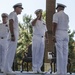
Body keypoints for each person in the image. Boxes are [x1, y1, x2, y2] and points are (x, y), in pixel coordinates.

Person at [4, 3, 23, 73]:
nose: (21, 10)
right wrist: (12, 35)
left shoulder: (14, 15)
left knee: (11, 53)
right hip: (13, 35)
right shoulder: (12, 14)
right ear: (17, 8)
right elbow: (11, 23)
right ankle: (7, 69)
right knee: (10, 53)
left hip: (14, 34)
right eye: (21, 8)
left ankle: (7, 69)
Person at [52, 3, 69, 75]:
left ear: (58, 8)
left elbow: (54, 24)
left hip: (59, 32)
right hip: (66, 33)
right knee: (65, 53)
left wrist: (53, 35)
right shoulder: (66, 16)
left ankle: (59, 71)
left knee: (59, 52)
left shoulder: (56, 14)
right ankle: (64, 71)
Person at [31, 9, 47, 73]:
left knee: (41, 53)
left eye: (39, 13)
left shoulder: (44, 21)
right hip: (36, 37)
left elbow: (45, 31)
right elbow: (32, 24)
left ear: (41, 14)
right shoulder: (34, 20)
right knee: (35, 53)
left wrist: (47, 38)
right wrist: (37, 18)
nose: (38, 14)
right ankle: (34, 68)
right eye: (37, 13)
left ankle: (39, 68)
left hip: (42, 38)